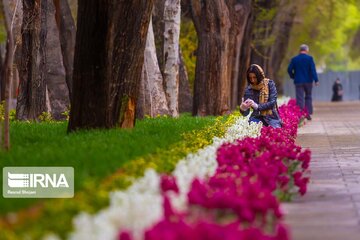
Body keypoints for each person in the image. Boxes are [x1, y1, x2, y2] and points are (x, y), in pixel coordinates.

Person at [240, 64, 282, 128]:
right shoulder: (249, 89)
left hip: (272, 118)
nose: (252, 80)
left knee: (274, 132)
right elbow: (246, 113)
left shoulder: (270, 84)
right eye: (250, 78)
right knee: (254, 129)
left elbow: (272, 102)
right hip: (256, 118)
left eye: (254, 77)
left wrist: (257, 106)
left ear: (260, 76)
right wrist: (243, 108)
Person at [287, 44, 319, 120]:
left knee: (300, 98)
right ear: (307, 50)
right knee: (308, 96)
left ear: (300, 50)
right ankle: (308, 113)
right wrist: (316, 80)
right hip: (308, 81)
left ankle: (300, 114)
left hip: (298, 81)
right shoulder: (310, 58)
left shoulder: (295, 59)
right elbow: (313, 70)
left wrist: (293, 76)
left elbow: (289, 69)